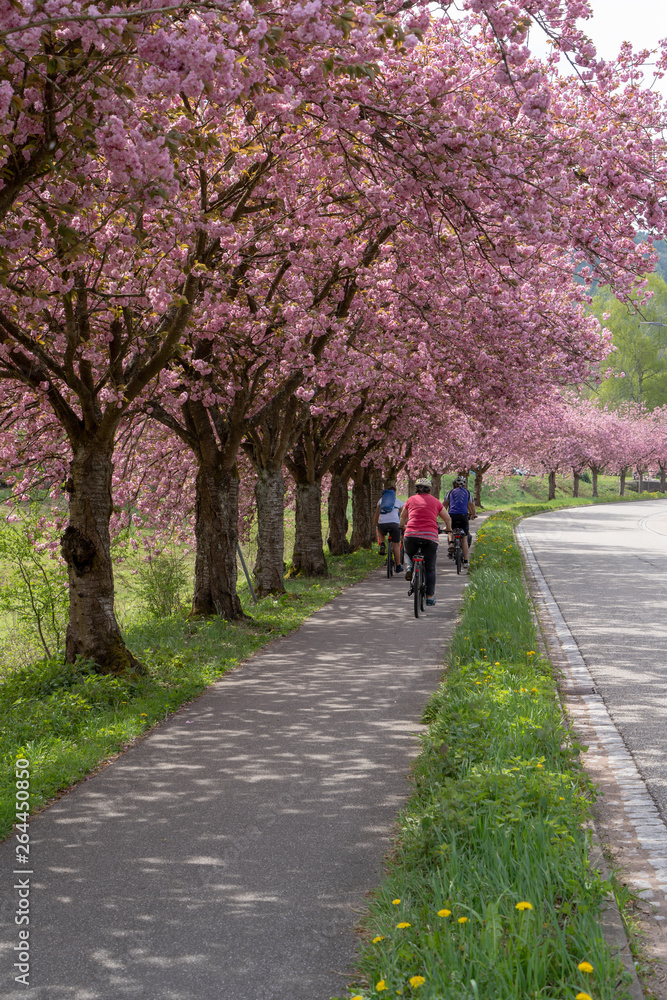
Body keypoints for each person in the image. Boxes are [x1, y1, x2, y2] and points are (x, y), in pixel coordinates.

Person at [399, 478, 451, 606]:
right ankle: (429, 597)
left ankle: (410, 567)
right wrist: (448, 529)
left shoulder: (410, 500)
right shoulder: (436, 502)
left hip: (411, 534)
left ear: (416, 489)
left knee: (407, 552)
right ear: (430, 489)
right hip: (430, 537)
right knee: (430, 568)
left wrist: (402, 526)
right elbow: (447, 518)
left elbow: (402, 517)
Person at [373, 482, 404, 572]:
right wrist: (404, 524)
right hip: (394, 524)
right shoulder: (398, 501)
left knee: (380, 530)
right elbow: (403, 515)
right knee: (396, 545)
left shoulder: (381, 500)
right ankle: (398, 566)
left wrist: (375, 523)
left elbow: (376, 514)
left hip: (382, 523)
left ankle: (382, 544)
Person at [445, 476, 475, 565]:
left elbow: (445, 504)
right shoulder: (468, 493)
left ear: (455, 484)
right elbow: (471, 505)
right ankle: (466, 561)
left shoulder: (450, 492)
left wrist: (444, 514)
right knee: (464, 538)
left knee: (450, 529)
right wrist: (473, 514)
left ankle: (451, 543)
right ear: (465, 485)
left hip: (452, 515)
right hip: (463, 516)